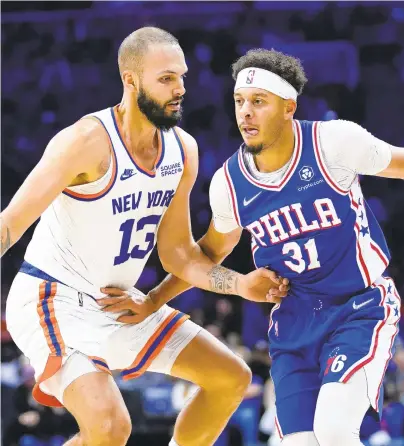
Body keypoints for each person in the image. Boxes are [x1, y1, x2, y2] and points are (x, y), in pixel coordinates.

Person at [102, 48, 404, 445]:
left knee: (335, 431)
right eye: (239, 102)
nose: (246, 113)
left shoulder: (333, 142)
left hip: (358, 307)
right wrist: (159, 299)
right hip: (293, 325)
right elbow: (208, 255)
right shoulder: (229, 184)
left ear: (288, 107)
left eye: (258, 102)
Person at [0, 28, 289, 446]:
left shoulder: (182, 150)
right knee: (111, 427)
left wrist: (240, 284)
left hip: (117, 302)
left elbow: (178, 256)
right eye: (167, 79)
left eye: (183, 78)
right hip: (51, 299)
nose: (180, 89)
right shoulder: (85, 142)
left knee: (230, 378)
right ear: (131, 81)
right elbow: (11, 223)